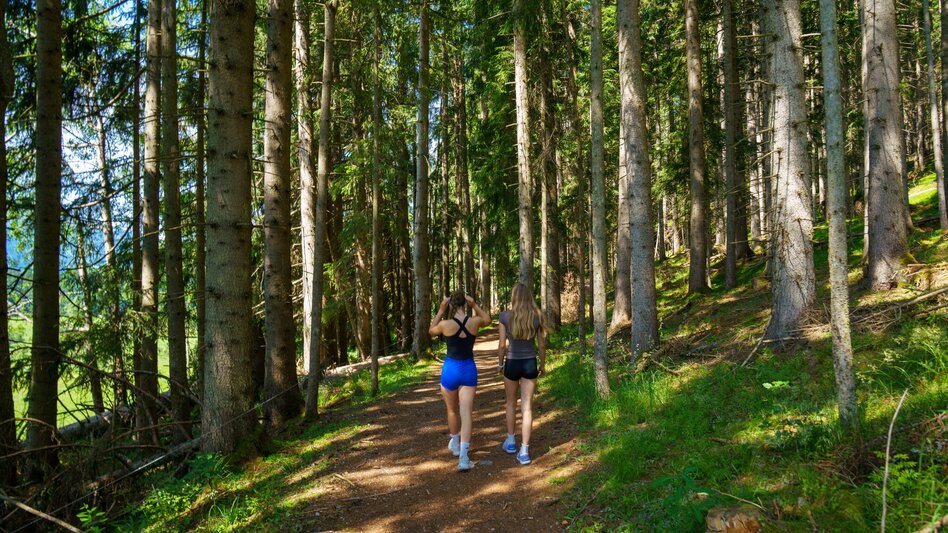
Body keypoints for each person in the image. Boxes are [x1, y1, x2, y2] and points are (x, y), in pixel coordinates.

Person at [429, 291, 490, 471]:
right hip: (468, 370)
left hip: (450, 370)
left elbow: (430, 331)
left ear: (450, 305)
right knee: (466, 413)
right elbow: (487, 319)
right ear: (464, 303)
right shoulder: (474, 322)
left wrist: (441, 310)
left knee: (451, 410)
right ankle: (463, 457)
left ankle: (455, 444)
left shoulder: (445, 324)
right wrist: (474, 305)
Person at [497, 283, 547, 465]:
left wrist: (500, 363)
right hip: (529, 363)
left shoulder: (504, 316)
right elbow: (541, 345)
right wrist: (542, 365)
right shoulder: (537, 317)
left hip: (511, 362)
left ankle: (510, 442)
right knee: (527, 407)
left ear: (514, 297)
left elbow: (502, 345)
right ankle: (524, 451)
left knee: (510, 403)